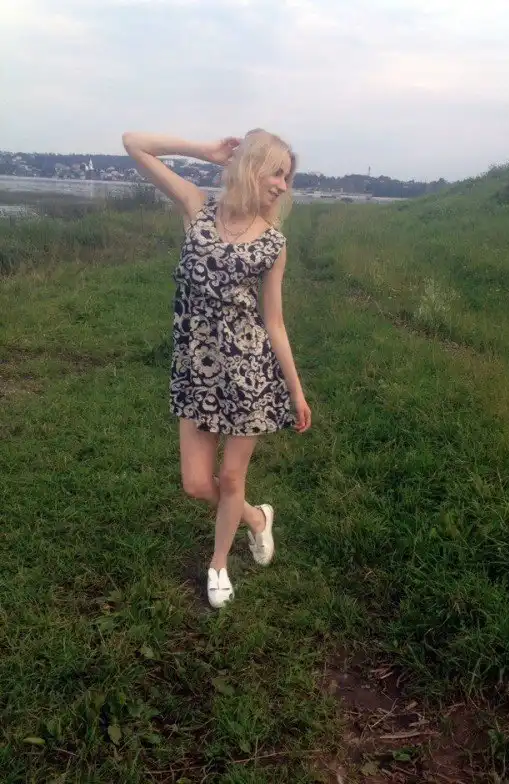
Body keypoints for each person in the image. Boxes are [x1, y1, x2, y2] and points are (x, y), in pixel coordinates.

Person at [122, 129, 312, 609]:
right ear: (251, 167)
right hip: (197, 371)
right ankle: (257, 518)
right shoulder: (197, 208)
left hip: (248, 373)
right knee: (195, 484)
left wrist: (295, 391)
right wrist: (205, 152)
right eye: (277, 173)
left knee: (230, 478)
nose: (283, 185)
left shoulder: (273, 243)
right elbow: (133, 143)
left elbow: (274, 322)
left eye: (287, 178)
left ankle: (219, 565)